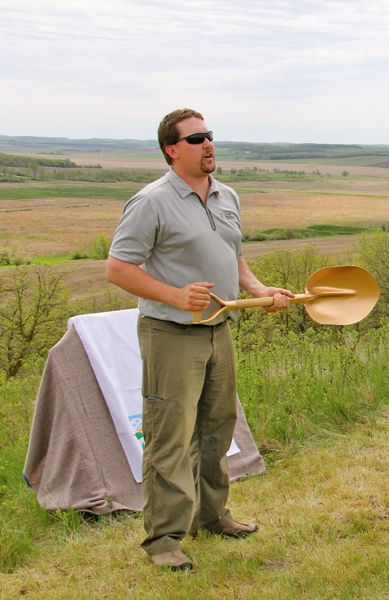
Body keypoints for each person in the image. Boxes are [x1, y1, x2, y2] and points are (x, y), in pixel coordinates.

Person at [107, 108, 294, 571]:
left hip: (220, 328)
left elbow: (234, 256)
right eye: (196, 139)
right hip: (171, 333)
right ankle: (164, 540)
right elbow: (118, 268)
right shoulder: (150, 201)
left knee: (217, 427)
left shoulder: (227, 196)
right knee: (170, 438)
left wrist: (259, 290)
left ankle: (212, 516)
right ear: (172, 149)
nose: (208, 144)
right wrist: (175, 295)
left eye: (210, 136)